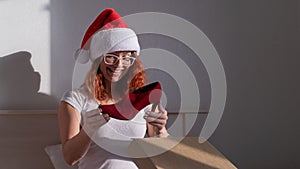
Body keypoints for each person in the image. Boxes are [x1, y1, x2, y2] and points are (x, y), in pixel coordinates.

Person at [57, 8, 169, 169]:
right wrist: (88, 129)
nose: (119, 64)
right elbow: (70, 158)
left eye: (126, 57)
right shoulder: (75, 99)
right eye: (111, 56)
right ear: (98, 60)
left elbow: (162, 156)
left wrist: (160, 131)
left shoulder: (141, 101)